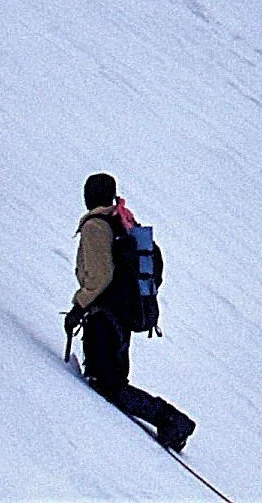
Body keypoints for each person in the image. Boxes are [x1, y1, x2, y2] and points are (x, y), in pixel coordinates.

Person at [65, 172, 196, 451]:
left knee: (108, 383)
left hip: (104, 315)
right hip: (124, 314)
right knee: (113, 379)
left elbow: (101, 276)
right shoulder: (122, 221)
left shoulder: (96, 226)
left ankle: (171, 420)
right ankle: (170, 420)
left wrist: (79, 306)